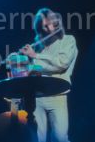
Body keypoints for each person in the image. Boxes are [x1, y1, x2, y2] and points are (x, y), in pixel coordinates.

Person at [20, 8, 78, 142]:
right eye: (43, 27)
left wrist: (35, 56)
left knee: (60, 138)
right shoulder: (38, 47)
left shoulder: (68, 40)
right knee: (37, 138)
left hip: (58, 95)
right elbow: (32, 70)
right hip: (37, 97)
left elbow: (61, 63)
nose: (48, 29)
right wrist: (21, 60)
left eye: (49, 24)